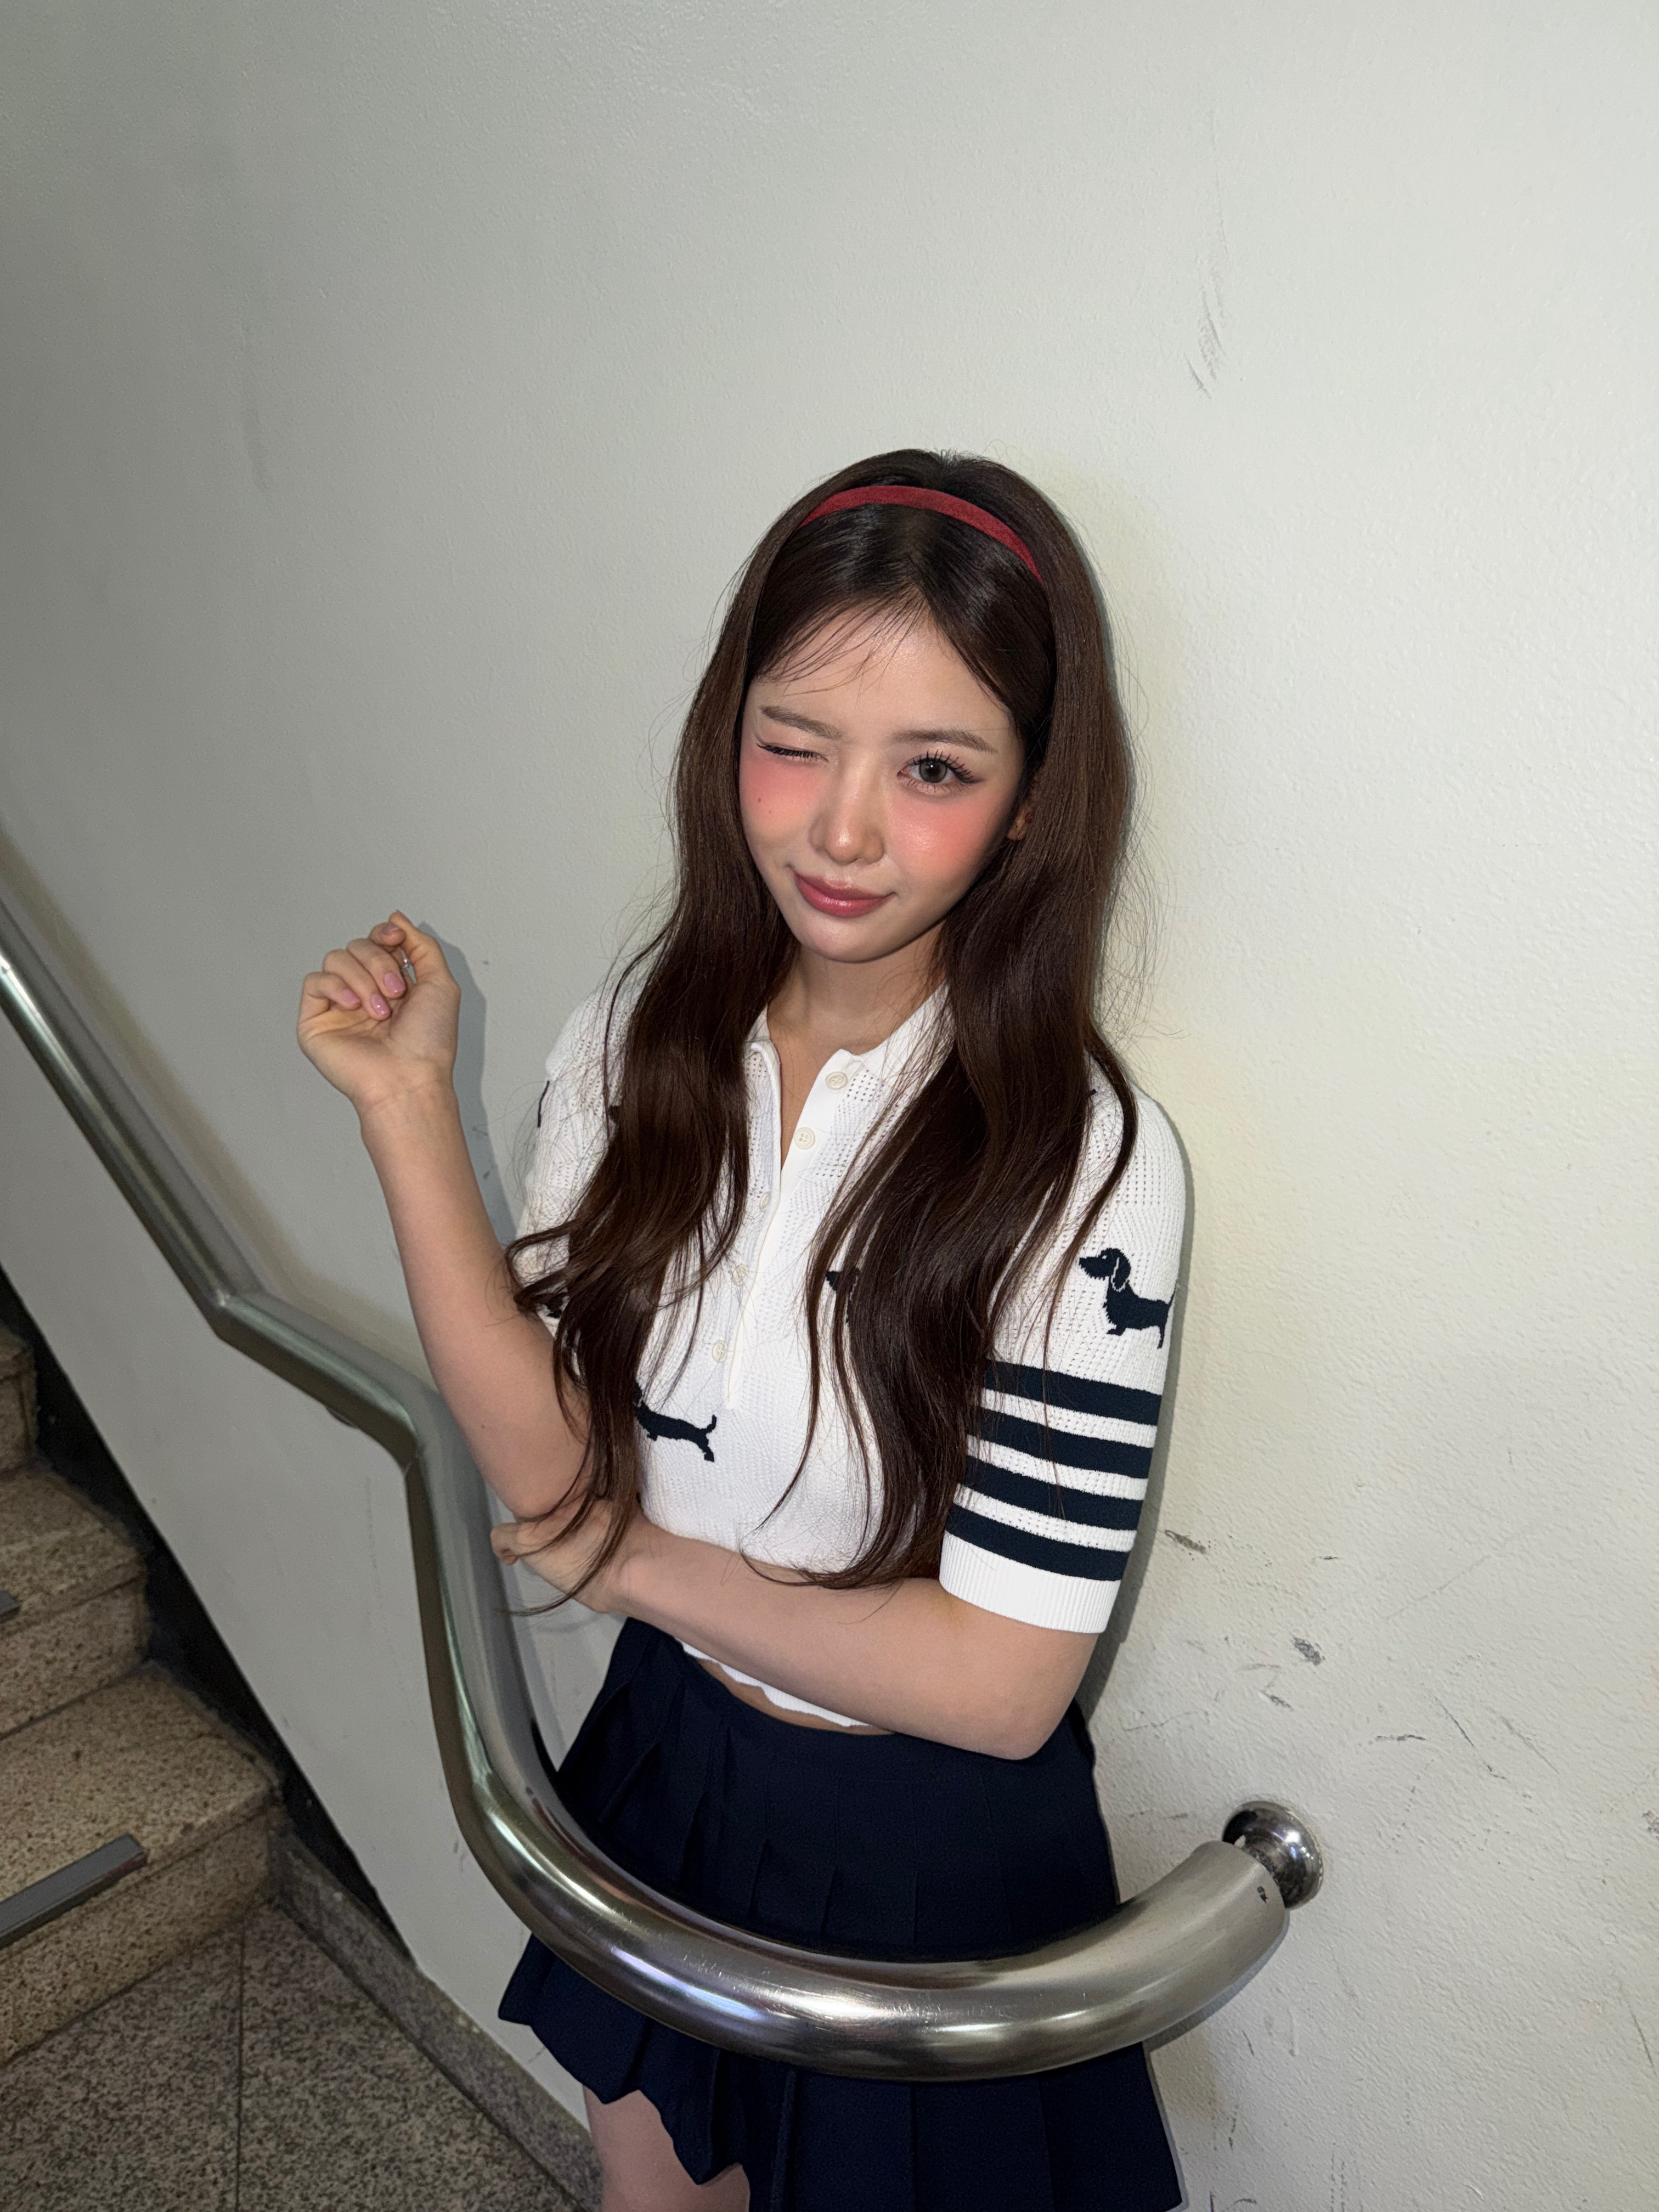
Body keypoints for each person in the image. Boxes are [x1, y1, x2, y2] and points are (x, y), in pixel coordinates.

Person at [296, 451, 1186, 2212]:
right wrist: (405, 1112)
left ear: (1030, 802)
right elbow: (552, 1467)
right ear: (729, 738)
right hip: (674, 1749)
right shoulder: (637, 1038)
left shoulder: (1085, 1160)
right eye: (796, 742)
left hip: (925, 1837)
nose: (843, 831)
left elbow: (1004, 1689)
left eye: (934, 770)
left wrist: (639, 1565)